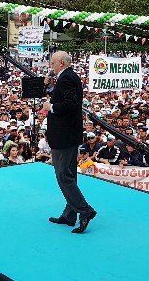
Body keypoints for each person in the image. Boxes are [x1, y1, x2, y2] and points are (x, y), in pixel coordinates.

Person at [41, 51, 96, 234]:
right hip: (69, 134)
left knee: (63, 175)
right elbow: (63, 97)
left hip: (64, 136)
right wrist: (48, 87)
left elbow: (71, 104)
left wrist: (51, 107)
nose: (51, 66)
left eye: (53, 63)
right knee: (70, 175)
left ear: (62, 62)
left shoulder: (66, 78)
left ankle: (85, 210)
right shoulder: (67, 77)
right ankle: (70, 214)